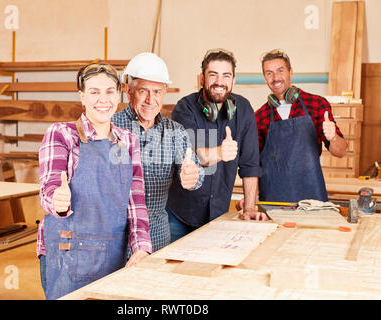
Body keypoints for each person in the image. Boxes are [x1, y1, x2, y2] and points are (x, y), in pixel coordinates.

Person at [37, 62, 152, 300]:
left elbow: (136, 201)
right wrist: (58, 201)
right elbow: (48, 188)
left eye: (109, 91)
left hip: (113, 254)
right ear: (82, 96)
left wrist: (141, 247)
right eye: (94, 92)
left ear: (119, 94)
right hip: (68, 255)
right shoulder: (62, 134)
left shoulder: (128, 141)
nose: (103, 99)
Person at [166, 48, 265, 243]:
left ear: (234, 81)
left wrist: (250, 209)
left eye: (226, 75)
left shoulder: (244, 111)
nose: (220, 81)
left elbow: (250, 166)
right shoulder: (184, 108)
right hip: (179, 216)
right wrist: (220, 152)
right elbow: (194, 158)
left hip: (217, 215)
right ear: (202, 78)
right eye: (213, 75)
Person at [112, 52, 203, 251]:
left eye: (157, 92)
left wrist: (193, 176)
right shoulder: (110, 127)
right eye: (143, 91)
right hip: (115, 241)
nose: (150, 100)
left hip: (157, 238)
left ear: (164, 92)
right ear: (128, 90)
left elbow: (195, 171)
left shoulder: (175, 132)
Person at [254, 49, 347, 203]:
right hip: (273, 200)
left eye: (280, 70)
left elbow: (341, 152)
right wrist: (250, 199)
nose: (275, 78)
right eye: (269, 73)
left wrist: (333, 137)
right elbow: (254, 165)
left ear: (291, 72)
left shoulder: (317, 104)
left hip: (311, 199)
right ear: (264, 77)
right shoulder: (260, 116)